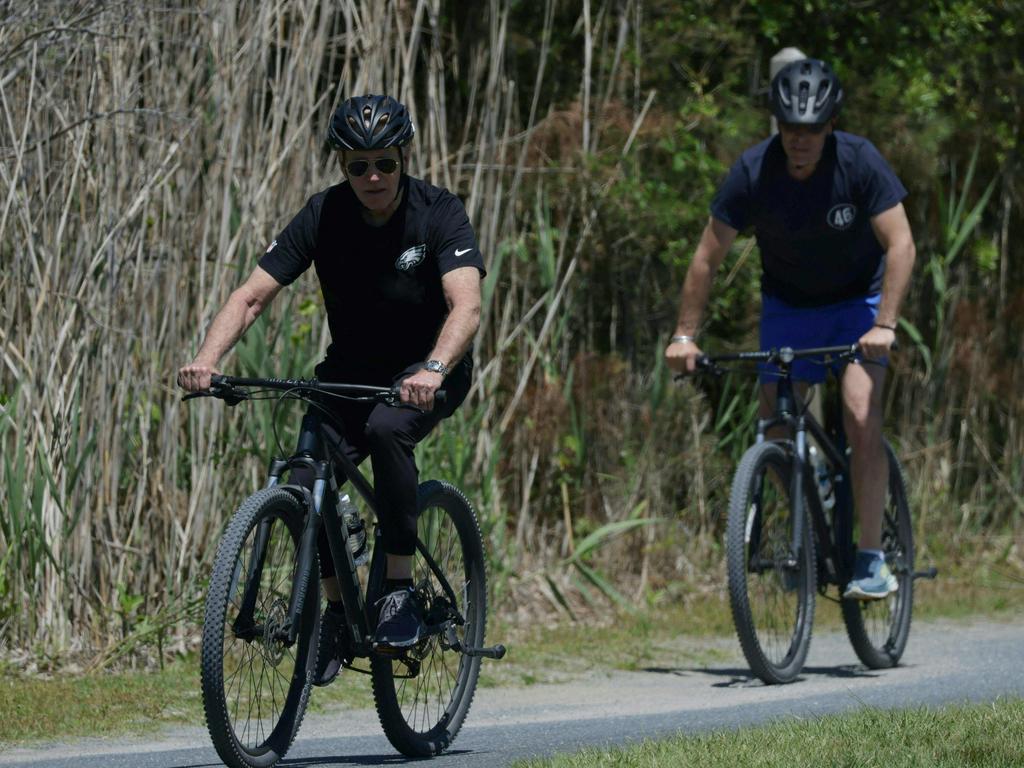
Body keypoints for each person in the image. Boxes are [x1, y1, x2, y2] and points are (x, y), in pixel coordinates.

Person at [178, 94, 485, 684]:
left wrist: (434, 369)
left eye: (385, 164)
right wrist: (206, 360)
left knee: (387, 429)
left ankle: (396, 590)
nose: (372, 176)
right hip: (347, 373)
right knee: (302, 482)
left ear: (403, 158)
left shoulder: (439, 212)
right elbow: (251, 297)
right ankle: (337, 617)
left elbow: (465, 305)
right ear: (342, 166)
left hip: (427, 372)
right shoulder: (323, 214)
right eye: (357, 165)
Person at [664, 58, 916, 601]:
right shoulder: (754, 171)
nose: (799, 141)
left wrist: (885, 324)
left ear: (830, 127)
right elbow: (708, 257)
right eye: (789, 129)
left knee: (858, 412)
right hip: (789, 307)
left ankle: (872, 560)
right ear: (777, 126)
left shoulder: (860, 162)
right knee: (774, 427)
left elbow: (901, 243)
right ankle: (812, 493)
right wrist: (685, 335)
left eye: (811, 130)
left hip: (857, 305)